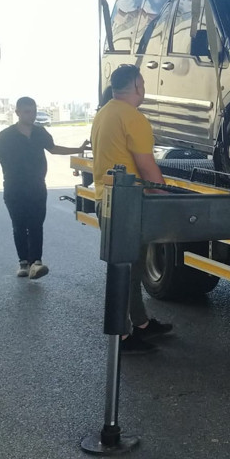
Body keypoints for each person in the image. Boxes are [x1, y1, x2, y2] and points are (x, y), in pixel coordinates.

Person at [91, 64, 172, 354]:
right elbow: (147, 169)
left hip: (108, 199)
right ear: (137, 85)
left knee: (131, 268)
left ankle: (140, 324)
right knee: (125, 271)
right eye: (144, 82)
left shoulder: (104, 113)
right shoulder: (133, 118)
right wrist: (167, 202)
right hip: (127, 204)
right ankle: (123, 337)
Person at [0, 97, 90, 279]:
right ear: (18, 112)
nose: (32, 115)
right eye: (27, 112)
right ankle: (23, 263)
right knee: (19, 226)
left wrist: (78, 148)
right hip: (14, 188)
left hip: (37, 187)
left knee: (36, 224)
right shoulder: (5, 136)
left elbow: (53, 149)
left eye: (34, 111)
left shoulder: (40, 132)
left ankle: (36, 262)